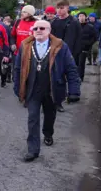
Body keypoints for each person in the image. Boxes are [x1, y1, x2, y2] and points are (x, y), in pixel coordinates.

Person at [13, 20, 80, 162]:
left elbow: (71, 69)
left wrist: (74, 90)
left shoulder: (60, 46)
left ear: (49, 31)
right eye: (35, 28)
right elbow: (18, 68)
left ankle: (48, 133)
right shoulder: (25, 45)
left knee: (50, 115)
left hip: (52, 89)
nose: (38, 30)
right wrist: (17, 87)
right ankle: (33, 150)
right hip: (32, 89)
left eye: (42, 28)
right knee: (32, 119)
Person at [50, 0, 82, 112]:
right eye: (58, 8)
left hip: (69, 55)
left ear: (67, 8)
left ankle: (60, 102)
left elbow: (78, 40)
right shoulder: (54, 22)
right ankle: (52, 102)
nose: (59, 10)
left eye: (62, 8)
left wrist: (74, 55)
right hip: (55, 54)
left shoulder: (74, 22)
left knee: (65, 78)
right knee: (55, 79)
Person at [77, 12, 97, 81]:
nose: (81, 17)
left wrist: (88, 44)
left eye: (83, 16)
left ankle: (80, 77)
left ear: (86, 17)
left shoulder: (90, 27)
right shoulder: (75, 26)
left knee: (81, 63)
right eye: (80, 16)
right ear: (78, 17)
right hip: (75, 48)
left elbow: (94, 37)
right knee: (74, 63)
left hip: (84, 48)